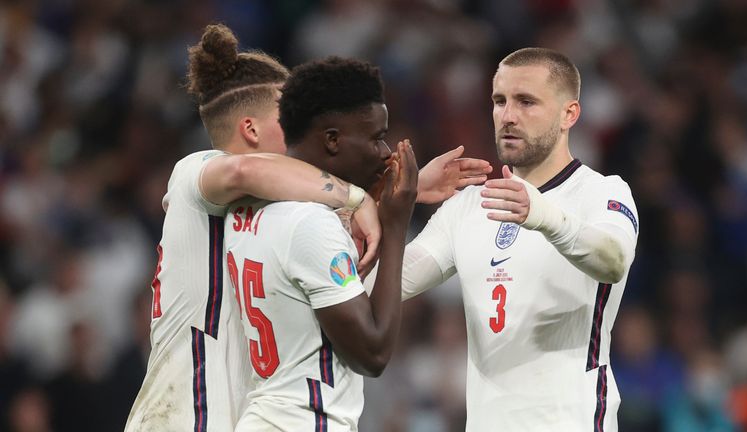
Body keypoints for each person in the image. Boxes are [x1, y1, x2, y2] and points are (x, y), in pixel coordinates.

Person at [125, 24, 490, 431]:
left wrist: (405, 191)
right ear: (250, 129)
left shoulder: (267, 214)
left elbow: (352, 288)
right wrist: (358, 197)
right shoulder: (195, 173)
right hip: (182, 416)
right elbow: (245, 170)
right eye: (287, 118)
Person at [387, 47, 639, 431]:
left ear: (569, 113)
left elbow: (613, 259)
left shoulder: (602, 193)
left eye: (526, 102)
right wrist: (395, 198)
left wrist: (542, 216)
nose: (507, 116)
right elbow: (379, 285)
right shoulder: (468, 207)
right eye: (499, 101)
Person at [225, 57, 417, 431]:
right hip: (300, 420)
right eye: (376, 137)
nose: (384, 152)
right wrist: (396, 227)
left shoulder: (248, 207)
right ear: (332, 139)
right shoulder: (312, 224)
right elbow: (372, 353)